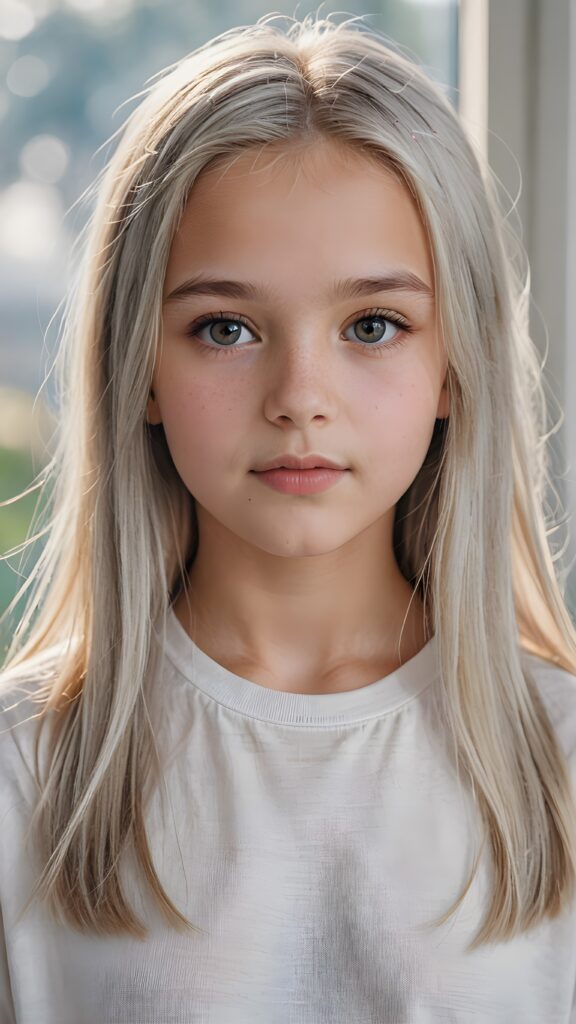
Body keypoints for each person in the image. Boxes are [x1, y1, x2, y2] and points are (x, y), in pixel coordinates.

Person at [1, 12, 576, 1023]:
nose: (300, 395)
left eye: (372, 326)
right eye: (225, 328)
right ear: (139, 366)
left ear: (455, 363)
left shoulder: (562, 759)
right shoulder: (22, 774)